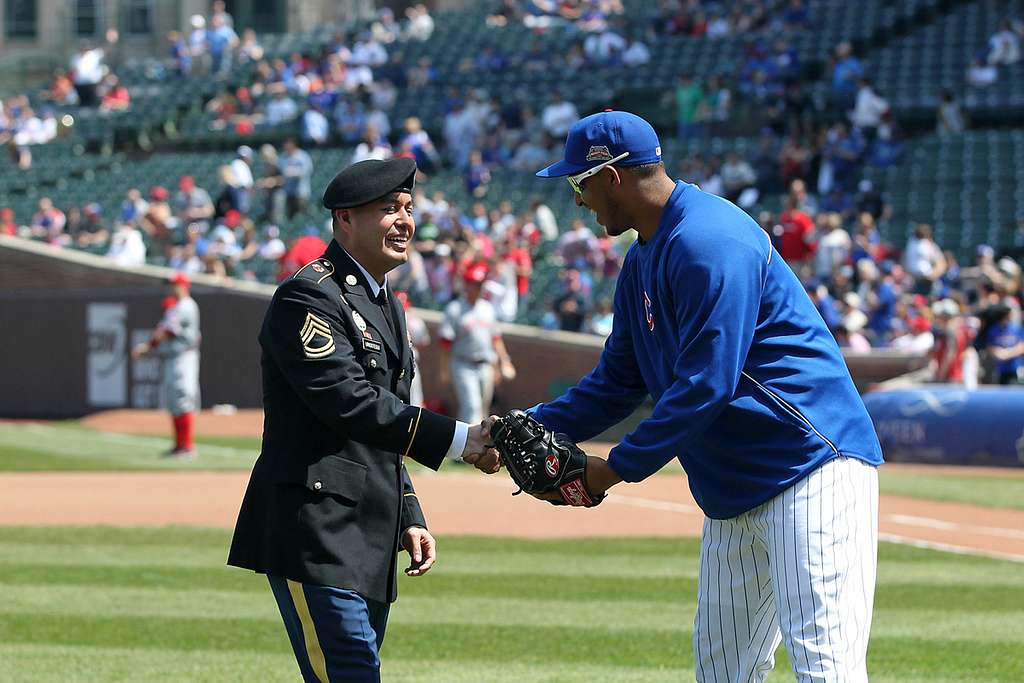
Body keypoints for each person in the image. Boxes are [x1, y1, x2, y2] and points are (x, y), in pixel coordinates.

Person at [518, 110, 883, 680]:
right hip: (733, 485)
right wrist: (527, 423)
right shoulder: (642, 261)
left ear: (612, 175)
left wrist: (611, 470)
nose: (578, 201)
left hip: (808, 463)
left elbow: (707, 384)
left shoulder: (709, 240)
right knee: (724, 670)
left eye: (578, 183)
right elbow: (617, 382)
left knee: (825, 667)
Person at [227, 157, 499, 682]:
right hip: (317, 527)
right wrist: (462, 440)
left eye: (408, 208)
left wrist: (409, 513)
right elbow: (350, 402)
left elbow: (384, 428)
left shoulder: (387, 303)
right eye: (387, 209)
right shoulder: (308, 295)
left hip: (369, 529)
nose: (404, 221)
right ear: (345, 219)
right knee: (351, 671)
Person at [438, 263, 515, 460]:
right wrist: (444, 369)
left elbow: (496, 339)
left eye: (480, 284)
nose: (478, 288)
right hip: (462, 363)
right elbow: (445, 343)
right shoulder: (455, 309)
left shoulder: (487, 308)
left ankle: (475, 449)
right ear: (466, 285)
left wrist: (502, 362)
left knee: (482, 407)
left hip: (485, 364)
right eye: (474, 284)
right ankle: (462, 452)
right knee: (470, 405)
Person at [131, 273, 201, 458]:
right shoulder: (176, 306)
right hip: (173, 357)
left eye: (175, 284)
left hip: (184, 356)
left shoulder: (186, 306)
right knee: (173, 401)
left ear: (184, 286)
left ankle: (187, 446)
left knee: (182, 396)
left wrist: (147, 348)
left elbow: (167, 331)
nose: (171, 288)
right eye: (170, 285)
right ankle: (179, 445)